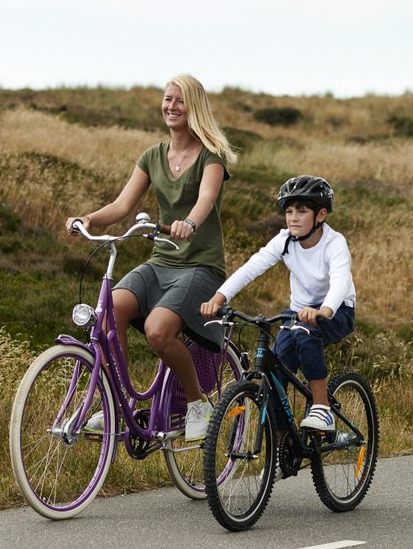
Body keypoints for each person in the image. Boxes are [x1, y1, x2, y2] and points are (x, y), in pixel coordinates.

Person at [68, 73, 236, 441]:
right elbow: (122, 204)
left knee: (157, 331)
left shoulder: (212, 156)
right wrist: (88, 219)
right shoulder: (153, 155)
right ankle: (114, 404)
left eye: (180, 101)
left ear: (194, 108)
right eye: (167, 99)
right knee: (110, 309)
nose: (171, 107)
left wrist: (189, 223)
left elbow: (206, 199)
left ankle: (197, 404)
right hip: (161, 263)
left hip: (199, 267)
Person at [201, 175, 355, 431]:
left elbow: (340, 280)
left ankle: (322, 407)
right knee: (274, 375)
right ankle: (282, 449)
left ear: (321, 215)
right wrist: (219, 297)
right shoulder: (284, 241)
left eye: (302, 211)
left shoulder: (334, 242)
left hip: (337, 311)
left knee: (307, 333)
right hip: (297, 314)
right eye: (289, 211)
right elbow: (251, 267)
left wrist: (324, 310)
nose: (293, 217)